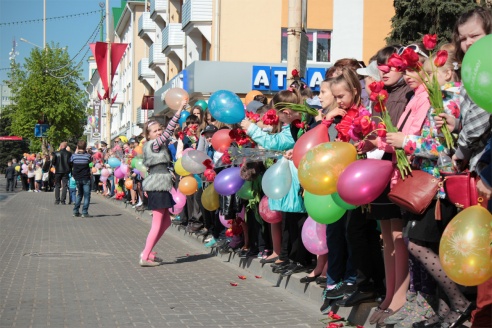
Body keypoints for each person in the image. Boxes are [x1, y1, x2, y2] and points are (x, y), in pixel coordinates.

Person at [139, 100, 185, 267]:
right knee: (158, 222)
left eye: (160, 129)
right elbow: (168, 132)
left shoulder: (156, 146)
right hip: (157, 185)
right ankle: (145, 255)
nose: (159, 133)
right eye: (155, 131)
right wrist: (178, 111)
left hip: (160, 183)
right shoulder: (154, 145)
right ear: (148, 135)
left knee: (165, 222)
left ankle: (148, 251)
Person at [70, 140, 93, 217]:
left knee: (79, 194)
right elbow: (91, 163)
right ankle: (84, 212)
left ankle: (76, 211)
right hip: (86, 177)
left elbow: (70, 162)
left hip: (77, 177)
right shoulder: (87, 156)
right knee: (87, 195)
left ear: (77, 147)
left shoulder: (74, 156)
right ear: (85, 147)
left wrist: (76, 152)